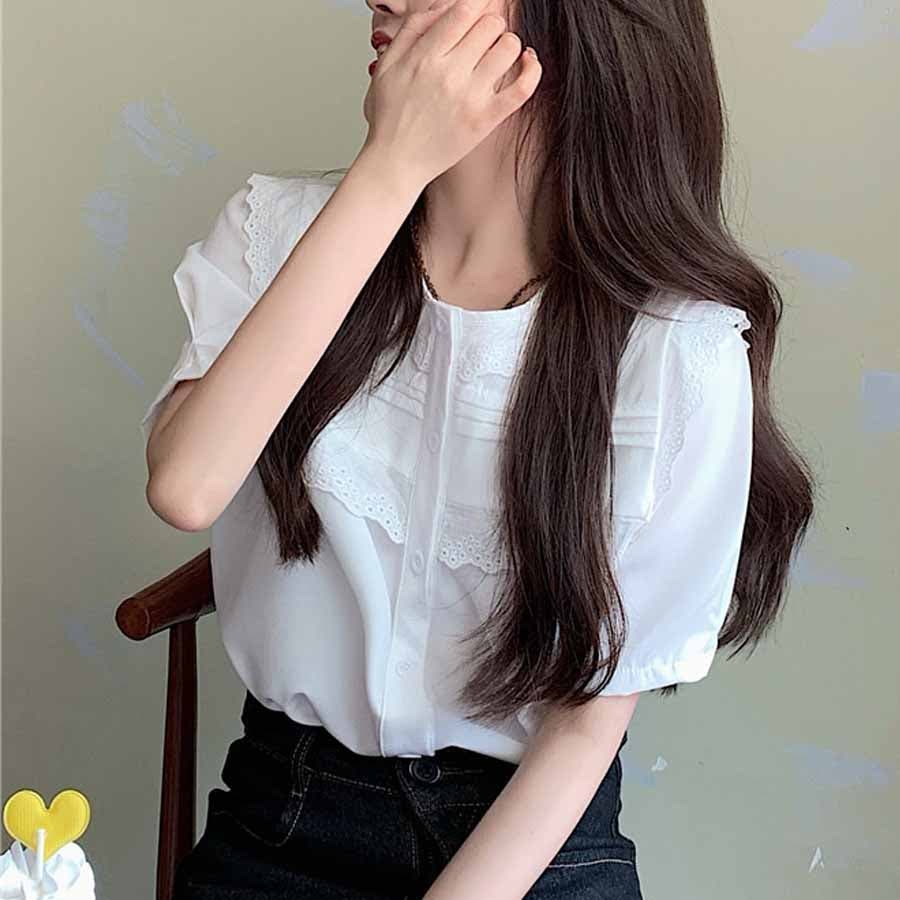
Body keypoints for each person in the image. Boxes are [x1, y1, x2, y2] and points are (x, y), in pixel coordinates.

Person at [140, 1, 815, 897]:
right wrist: (390, 170)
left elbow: (585, 726)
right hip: (284, 821)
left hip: (533, 843)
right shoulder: (275, 232)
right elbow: (187, 486)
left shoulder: (679, 347)